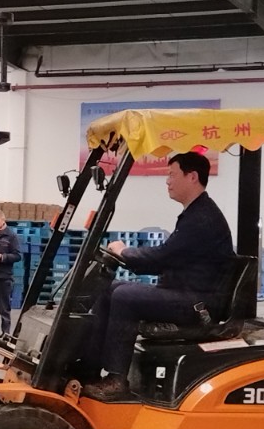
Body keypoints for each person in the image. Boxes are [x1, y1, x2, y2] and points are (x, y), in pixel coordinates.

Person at [82, 151, 235, 401]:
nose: (167, 181)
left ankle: (116, 379)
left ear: (192, 177)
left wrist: (125, 251)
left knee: (124, 296)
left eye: (172, 175)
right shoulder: (195, 214)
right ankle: (89, 368)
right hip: (185, 292)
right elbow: (166, 257)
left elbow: (162, 257)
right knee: (110, 288)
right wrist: (128, 256)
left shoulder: (202, 219)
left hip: (197, 302)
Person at [0, 209, 21, 334]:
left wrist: (2, 257)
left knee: (4, 308)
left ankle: (5, 334)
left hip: (4, 277)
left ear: (3, 220)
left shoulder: (11, 236)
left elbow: (17, 255)